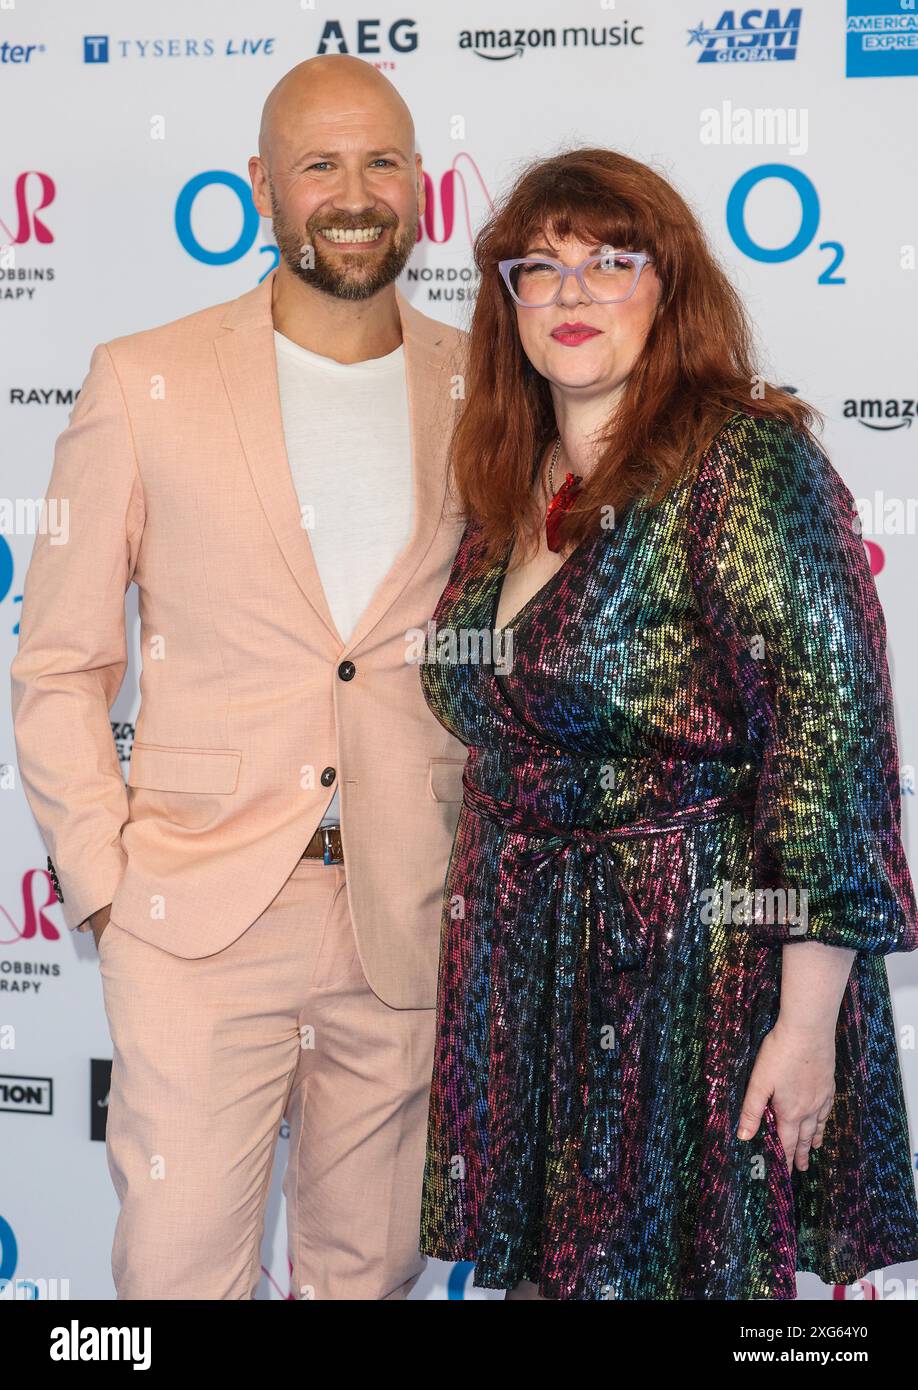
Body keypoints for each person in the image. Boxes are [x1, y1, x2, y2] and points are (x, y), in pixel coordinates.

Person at [417, 147, 918, 1301]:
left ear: (670, 285)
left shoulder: (744, 460)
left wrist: (804, 1029)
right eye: (540, 270)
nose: (574, 294)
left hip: (695, 970)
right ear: (506, 305)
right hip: (524, 964)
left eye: (612, 261)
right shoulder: (507, 478)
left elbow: (829, 745)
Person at [10, 55, 468, 1300]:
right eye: (320, 163)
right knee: (175, 1280)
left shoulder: (484, 388)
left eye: (382, 160)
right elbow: (57, 660)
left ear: (421, 184)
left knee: (365, 1274)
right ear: (264, 186)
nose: (355, 192)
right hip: (198, 912)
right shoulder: (139, 376)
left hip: (404, 914)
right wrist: (104, 881)